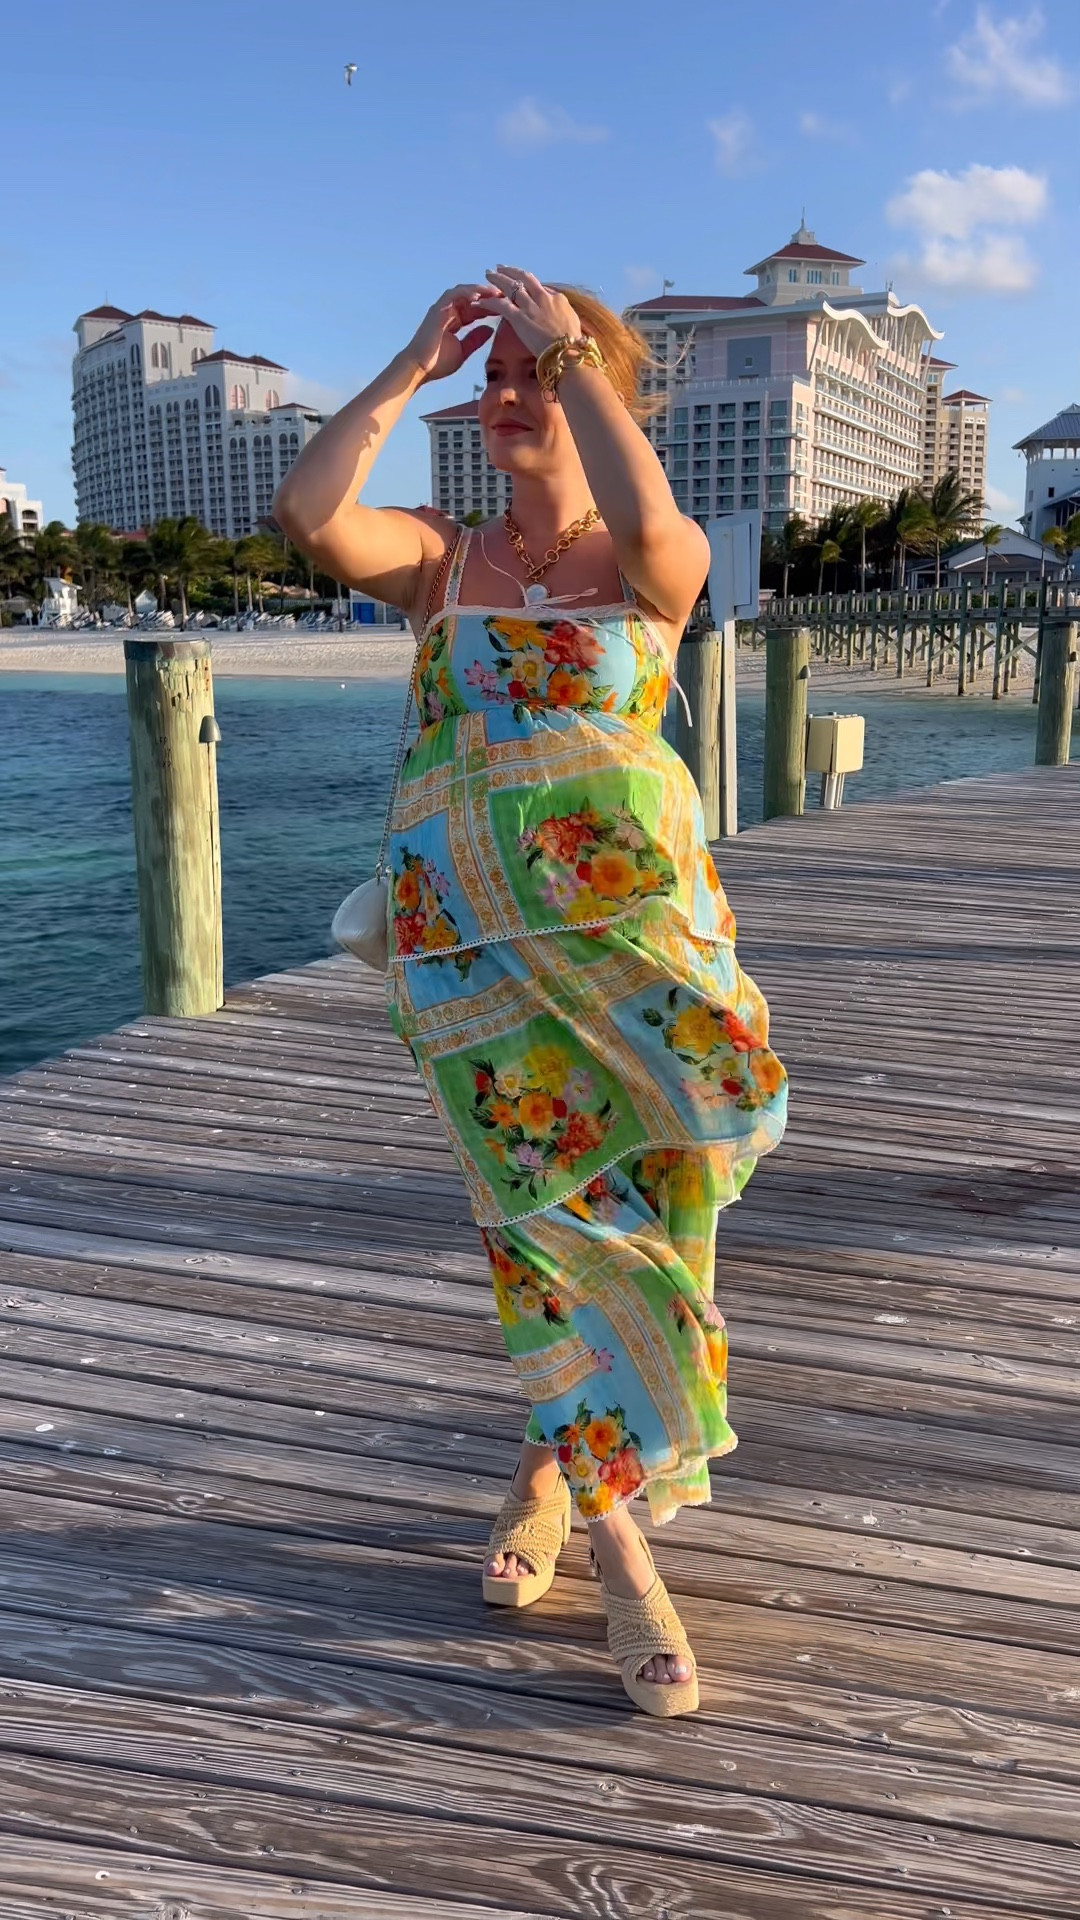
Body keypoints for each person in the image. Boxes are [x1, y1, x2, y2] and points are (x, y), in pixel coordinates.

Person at [274, 268, 787, 1717]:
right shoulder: (443, 567)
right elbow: (314, 517)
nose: (503, 400)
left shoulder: (648, 568)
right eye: (488, 382)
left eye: (531, 380)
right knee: (538, 1232)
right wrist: (403, 361)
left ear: (593, 390)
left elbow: (652, 522)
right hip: (480, 970)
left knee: (668, 1219)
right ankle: (623, 1556)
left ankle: (550, 1464)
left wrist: (571, 361)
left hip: (647, 960)